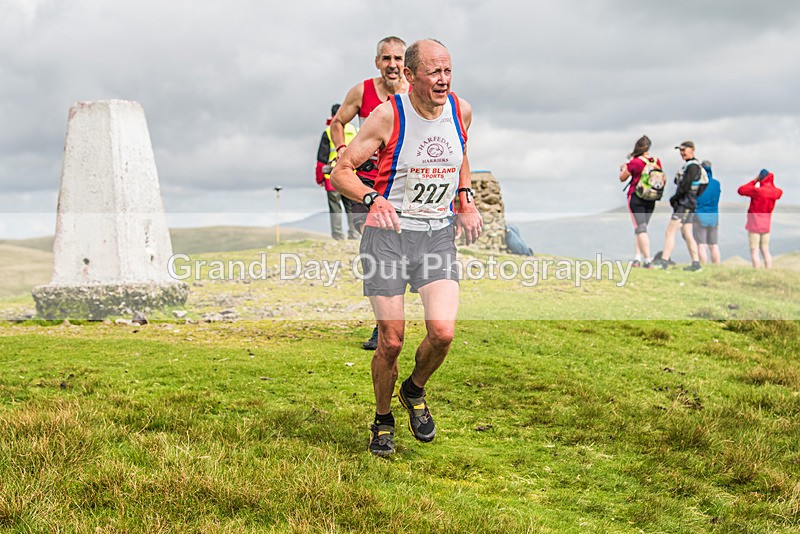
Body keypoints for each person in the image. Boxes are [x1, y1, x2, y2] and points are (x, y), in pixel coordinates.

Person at [331, 39, 482, 457]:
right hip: (388, 236)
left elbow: (461, 152)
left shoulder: (461, 110)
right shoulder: (387, 115)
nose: (443, 80)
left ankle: (413, 390)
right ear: (411, 76)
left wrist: (465, 197)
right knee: (391, 341)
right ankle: (382, 418)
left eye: (448, 71)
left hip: (436, 235)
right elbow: (341, 172)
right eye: (434, 72)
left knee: (443, 333)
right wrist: (371, 199)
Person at [330, 36, 411, 351]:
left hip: (399, 184)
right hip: (364, 184)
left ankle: (389, 319)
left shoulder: (414, 92)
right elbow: (338, 122)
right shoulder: (361, 91)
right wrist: (342, 149)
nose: (392, 65)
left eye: (398, 58)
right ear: (377, 62)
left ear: (406, 63)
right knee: (378, 251)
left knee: (396, 254)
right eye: (386, 58)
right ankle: (384, 326)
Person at [655, 141, 706, 271]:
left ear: (692, 149)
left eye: (684, 150)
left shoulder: (692, 167)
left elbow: (685, 186)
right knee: (687, 232)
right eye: (680, 151)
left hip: (684, 204)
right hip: (689, 203)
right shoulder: (692, 166)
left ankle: (664, 261)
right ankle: (696, 264)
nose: (682, 153)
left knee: (670, 231)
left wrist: (674, 199)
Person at [316, 104, 359, 240]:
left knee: (335, 208)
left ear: (331, 114)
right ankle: (354, 233)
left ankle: (337, 235)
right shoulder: (355, 130)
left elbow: (321, 159)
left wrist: (319, 178)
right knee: (351, 206)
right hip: (352, 175)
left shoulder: (328, 132)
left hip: (332, 176)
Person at [619, 135, 662, 268]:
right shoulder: (656, 161)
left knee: (640, 228)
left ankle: (647, 260)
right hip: (651, 198)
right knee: (641, 227)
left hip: (636, 197)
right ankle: (637, 257)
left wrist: (623, 169)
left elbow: (622, 178)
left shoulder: (635, 162)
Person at [738, 169, 783, 269]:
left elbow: (741, 190)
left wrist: (754, 181)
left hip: (754, 225)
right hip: (766, 225)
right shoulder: (774, 192)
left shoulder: (757, 191)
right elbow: (779, 192)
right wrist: (771, 184)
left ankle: (756, 271)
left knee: (754, 250)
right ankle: (768, 270)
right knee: (765, 249)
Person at [693, 160, 721, 265]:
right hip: (714, 217)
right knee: (713, 244)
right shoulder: (717, 184)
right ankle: (717, 265)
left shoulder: (699, 184)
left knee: (701, 244)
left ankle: (703, 266)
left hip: (700, 215)